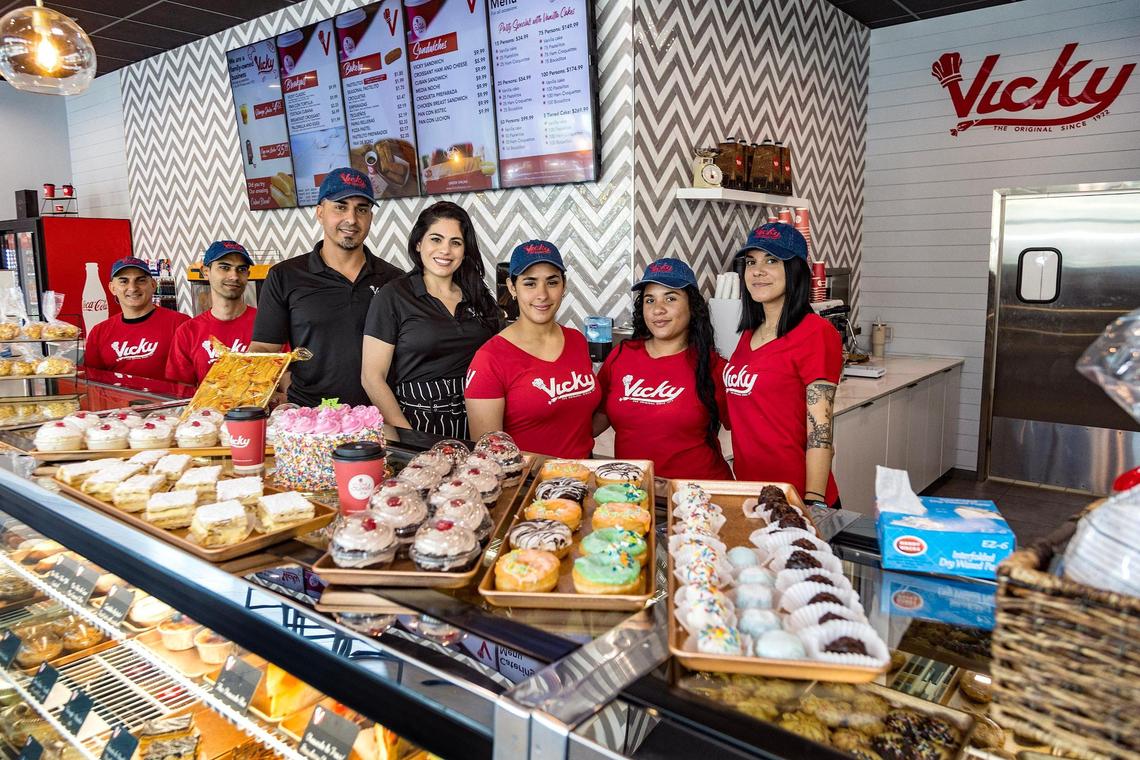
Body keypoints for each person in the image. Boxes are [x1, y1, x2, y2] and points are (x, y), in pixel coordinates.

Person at [248, 167, 404, 406]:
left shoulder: (395, 280)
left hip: (380, 418)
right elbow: (264, 347)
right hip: (310, 419)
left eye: (362, 209)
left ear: (370, 217)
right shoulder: (284, 276)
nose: (351, 219)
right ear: (320, 213)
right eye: (340, 207)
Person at [723, 222, 843, 509]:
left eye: (772, 260)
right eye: (751, 262)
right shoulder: (751, 333)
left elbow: (821, 432)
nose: (757, 271)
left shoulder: (816, 333)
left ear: (795, 270)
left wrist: (813, 503)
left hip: (796, 497)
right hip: (753, 494)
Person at [361, 202, 499, 437]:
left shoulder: (479, 295)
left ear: (464, 251)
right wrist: (408, 438)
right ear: (418, 244)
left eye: (455, 242)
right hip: (419, 423)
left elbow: (498, 359)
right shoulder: (393, 295)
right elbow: (372, 377)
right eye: (436, 239)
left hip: (478, 422)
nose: (445, 250)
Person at [594, 258, 733, 480]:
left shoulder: (714, 366)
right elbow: (601, 413)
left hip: (698, 496)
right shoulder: (621, 355)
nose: (658, 309)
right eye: (650, 300)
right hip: (635, 492)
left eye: (670, 298)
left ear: (692, 306)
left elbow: (749, 429)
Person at [465, 240, 598, 458]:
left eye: (552, 282)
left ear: (564, 286)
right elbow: (487, 454)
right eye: (530, 283)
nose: (542, 294)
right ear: (512, 287)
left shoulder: (577, 340)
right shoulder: (489, 359)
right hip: (528, 486)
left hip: (582, 479)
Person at [84, 256, 190, 383]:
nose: (133, 288)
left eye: (140, 280)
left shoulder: (181, 324)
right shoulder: (98, 332)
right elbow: (93, 383)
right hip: (118, 402)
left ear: (153, 285)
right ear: (112, 288)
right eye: (124, 281)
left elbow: (191, 381)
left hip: (170, 402)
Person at [166, 240, 257, 386]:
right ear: (206, 272)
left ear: (248, 275)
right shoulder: (187, 331)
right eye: (224, 267)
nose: (234, 276)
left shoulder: (267, 323)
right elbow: (183, 391)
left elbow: (284, 379)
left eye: (241, 269)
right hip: (206, 409)